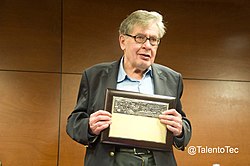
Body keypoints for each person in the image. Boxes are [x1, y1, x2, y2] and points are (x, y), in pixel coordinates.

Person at [66, 10, 192, 166]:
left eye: (153, 40)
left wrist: (180, 129)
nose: (147, 45)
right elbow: (74, 123)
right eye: (140, 38)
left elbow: (184, 126)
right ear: (122, 41)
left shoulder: (172, 79)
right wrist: (90, 126)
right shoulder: (94, 76)